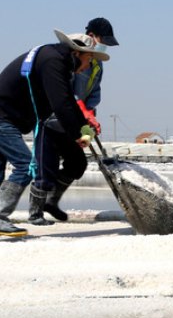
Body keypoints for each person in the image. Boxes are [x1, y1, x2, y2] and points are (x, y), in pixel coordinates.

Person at [0, 29, 109, 239]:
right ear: (77, 53)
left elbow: (66, 101)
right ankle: (0, 221)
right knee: (25, 165)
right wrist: (77, 133)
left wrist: (83, 125)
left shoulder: (55, 59)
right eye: (89, 59)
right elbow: (61, 104)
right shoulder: (54, 62)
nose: (89, 65)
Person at [28, 18, 120, 225]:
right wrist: (83, 113)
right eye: (101, 39)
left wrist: (90, 116)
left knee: (77, 163)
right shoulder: (71, 55)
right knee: (46, 168)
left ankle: (51, 201)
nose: (103, 45)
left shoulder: (97, 64)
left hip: (74, 120)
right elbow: (63, 93)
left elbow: (93, 93)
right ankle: (35, 214)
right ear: (91, 35)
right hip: (51, 119)